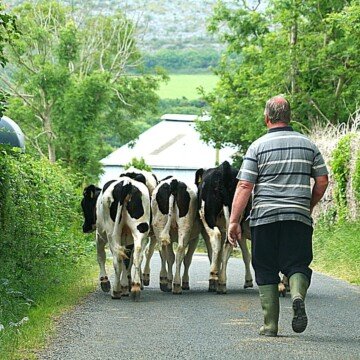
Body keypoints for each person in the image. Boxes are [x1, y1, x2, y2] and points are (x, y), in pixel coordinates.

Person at [228, 95, 329, 336]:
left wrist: (234, 220)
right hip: (298, 217)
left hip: (264, 218)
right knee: (298, 263)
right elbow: (322, 181)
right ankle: (296, 295)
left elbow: (244, 186)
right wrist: (307, 205)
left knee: (264, 267)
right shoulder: (308, 145)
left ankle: (270, 325)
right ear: (289, 117)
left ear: (266, 119)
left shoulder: (257, 147)